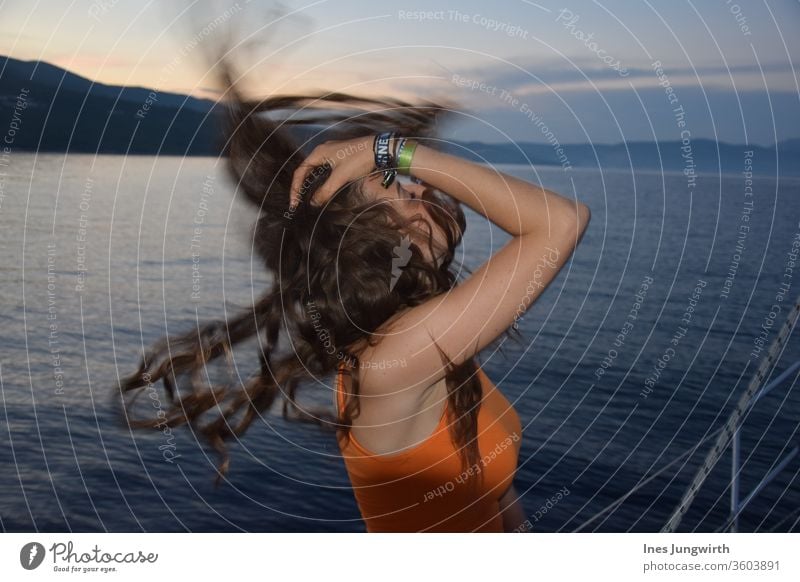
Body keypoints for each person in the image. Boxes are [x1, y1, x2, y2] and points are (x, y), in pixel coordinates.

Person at [117, 63, 590, 532]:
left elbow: (495, 496)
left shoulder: (412, 331)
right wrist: (391, 150)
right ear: (375, 242)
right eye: (404, 190)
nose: (424, 187)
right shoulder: (397, 356)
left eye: (406, 184)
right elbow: (561, 222)